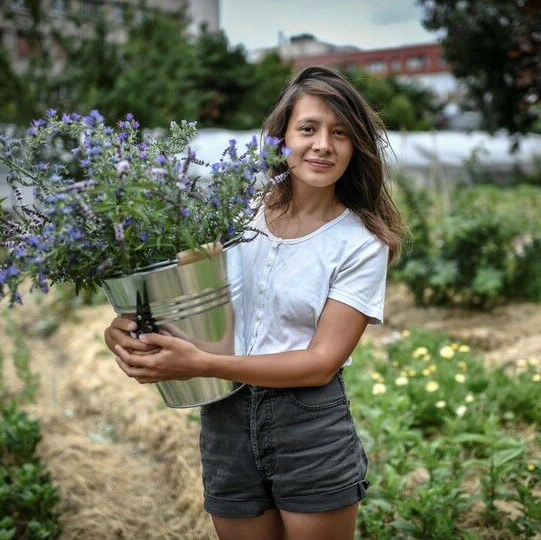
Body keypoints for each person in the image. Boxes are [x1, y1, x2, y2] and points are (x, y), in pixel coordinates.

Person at [104, 65, 406, 540]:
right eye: (308, 128)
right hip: (225, 419)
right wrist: (126, 328)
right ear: (282, 137)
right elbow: (182, 298)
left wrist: (203, 362)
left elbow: (320, 363)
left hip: (308, 426)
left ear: (356, 147)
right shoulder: (237, 212)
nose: (323, 145)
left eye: (341, 133)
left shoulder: (361, 243)